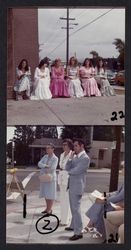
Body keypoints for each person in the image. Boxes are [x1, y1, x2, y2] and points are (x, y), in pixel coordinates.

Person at [65, 139, 90, 241]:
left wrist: (69, 171)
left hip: (77, 187)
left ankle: (78, 232)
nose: (74, 148)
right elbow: (67, 167)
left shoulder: (85, 158)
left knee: (76, 209)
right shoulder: (75, 156)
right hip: (72, 186)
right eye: (74, 146)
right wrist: (70, 159)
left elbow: (76, 170)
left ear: (82, 146)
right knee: (73, 208)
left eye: (76, 146)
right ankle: (73, 226)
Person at [38, 143, 58, 214]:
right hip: (44, 177)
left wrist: (44, 166)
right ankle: (47, 208)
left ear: (53, 149)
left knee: (51, 194)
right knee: (46, 193)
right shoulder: (45, 156)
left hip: (51, 178)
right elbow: (39, 164)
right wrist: (46, 166)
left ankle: (49, 209)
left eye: (49, 148)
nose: (47, 149)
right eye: (46, 148)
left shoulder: (55, 158)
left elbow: (53, 168)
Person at [58, 139, 73, 226]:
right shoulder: (61, 154)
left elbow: (72, 166)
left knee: (66, 199)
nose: (63, 146)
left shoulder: (72, 154)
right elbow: (61, 165)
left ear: (69, 145)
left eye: (65, 145)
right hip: (61, 176)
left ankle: (65, 220)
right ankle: (62, 217)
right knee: (62, 199)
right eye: (63, 144)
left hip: (68, 177)